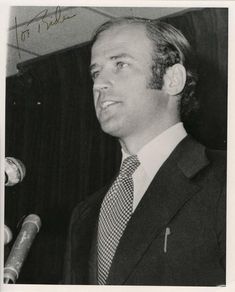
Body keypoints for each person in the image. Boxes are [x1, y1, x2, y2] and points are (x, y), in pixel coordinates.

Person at [63, 17, 226, 286]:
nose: (98, 84)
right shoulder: (84, 215)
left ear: (172, 80)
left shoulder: (225, 179)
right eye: (96, 72)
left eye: (120, 64)